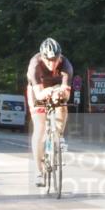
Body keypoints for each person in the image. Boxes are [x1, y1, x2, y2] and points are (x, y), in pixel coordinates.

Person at [27, 38, 72, 187]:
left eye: (55, 59)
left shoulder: (66, 65)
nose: (52, 63)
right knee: (39, 129)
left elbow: (66, 93)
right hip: (38, 89)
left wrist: (60, 93)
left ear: (60, 56)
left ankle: (58, 136)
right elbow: (39, 95)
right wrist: (48, 92)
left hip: (56, 87)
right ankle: (39, 171)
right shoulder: (35, 65)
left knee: (63, 105)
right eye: (49, 60)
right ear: (42, 57)